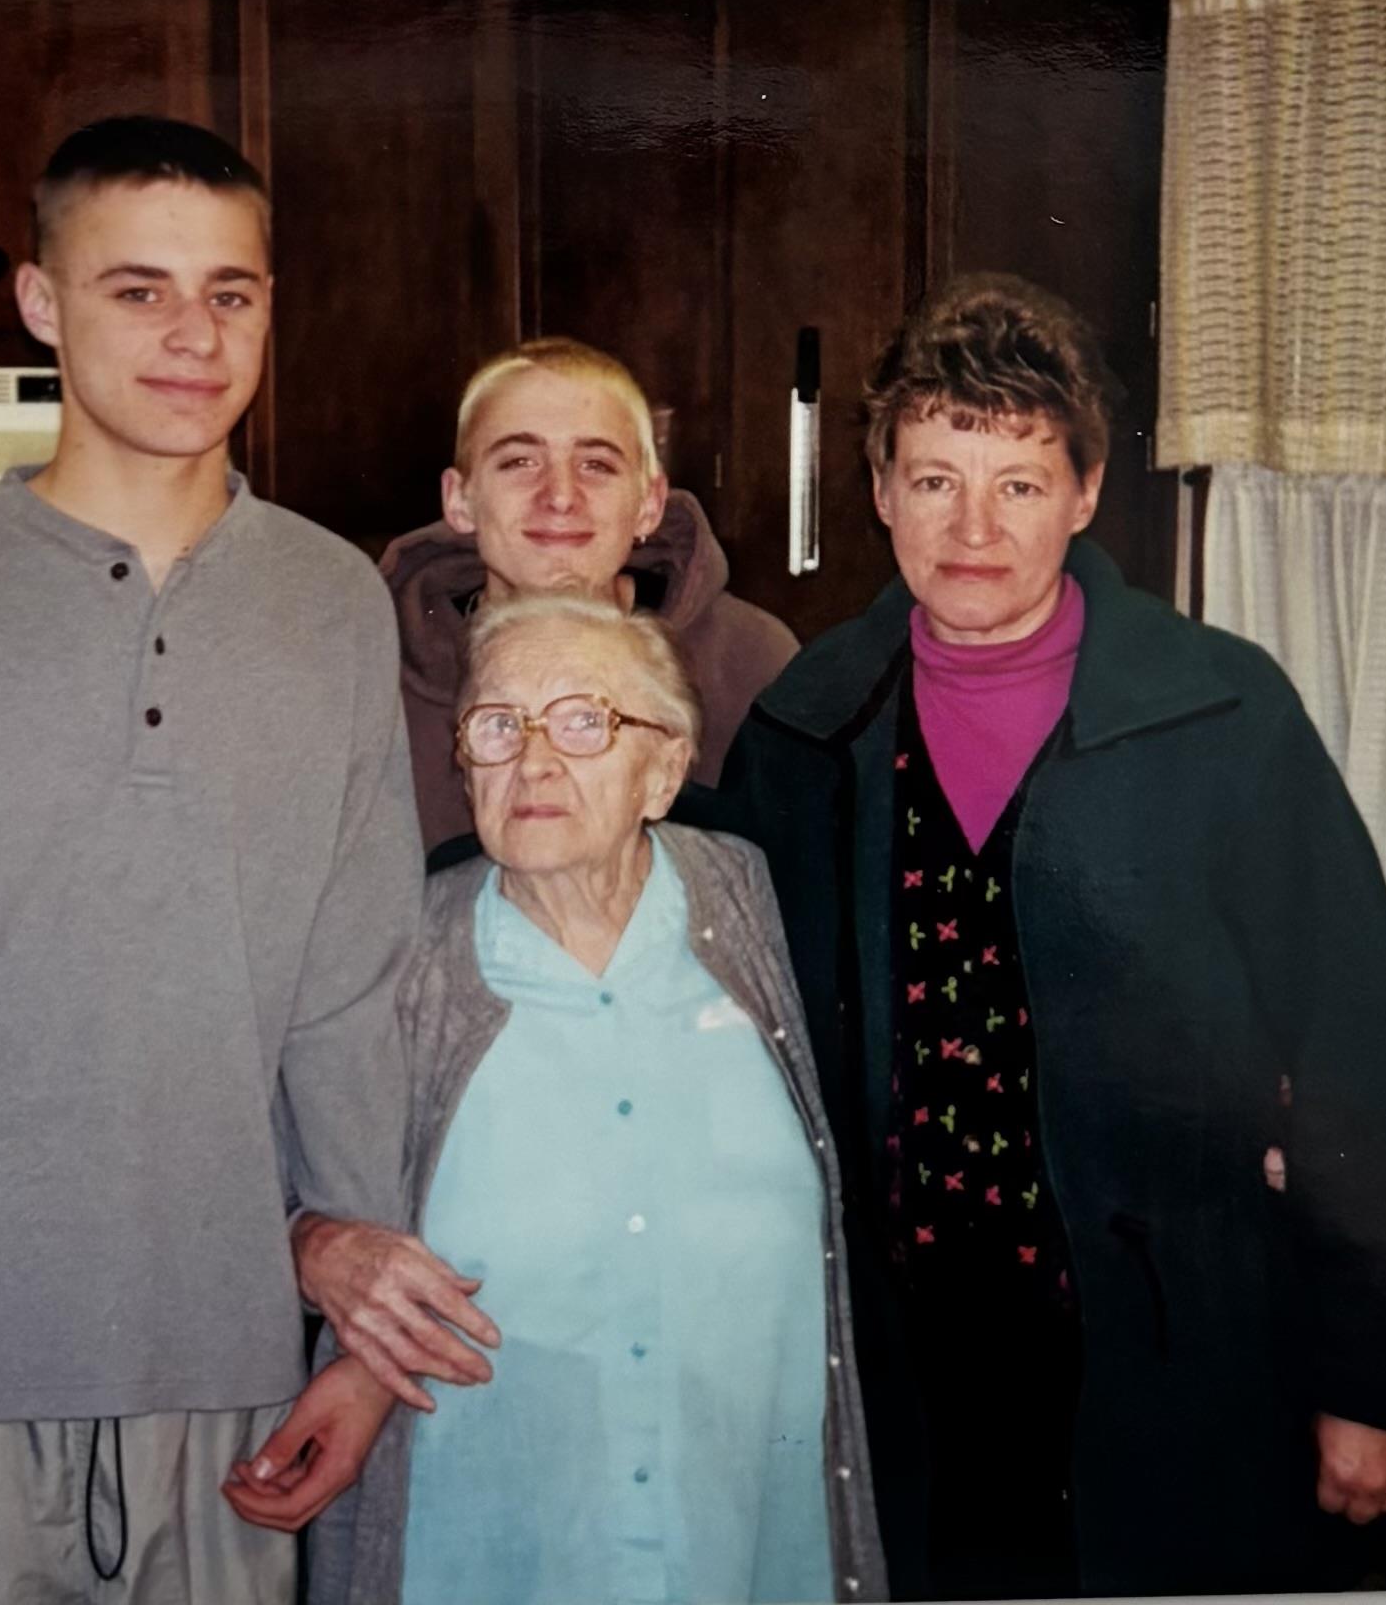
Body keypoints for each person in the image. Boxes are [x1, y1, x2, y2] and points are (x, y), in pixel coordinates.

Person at [0, 116, 481, 1605]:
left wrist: (357, 1355)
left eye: (232, 293)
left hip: (232, 1380)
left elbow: (347, 1005)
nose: (193, 336)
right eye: (138, 290)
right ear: (44, 305)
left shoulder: (330, 602)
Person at [717, 273, 1386, 1599]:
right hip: (904, 1377)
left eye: (1019, 483)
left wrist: (1383, 1369)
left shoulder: (1221, 717)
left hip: (1174, 1361)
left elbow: (1362, 1049)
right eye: (933, 481)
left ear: (1085, 495)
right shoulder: (808, 728)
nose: (974, 526)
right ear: (876, 489)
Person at [223, 595, 888, 1605]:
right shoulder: (393, 955)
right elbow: (241, 1171)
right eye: (499, 726)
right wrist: (314, 1251)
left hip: (743, 1532)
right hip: (486, 1538)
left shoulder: (767, 911)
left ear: (663, 771)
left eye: (586, 721)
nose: (534, 762)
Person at [380, 338, 795, 855]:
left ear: (649, 503)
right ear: (459, 500)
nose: (559, 495)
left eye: (596, 465)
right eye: (519, 462)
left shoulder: (750, 662)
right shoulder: (377, 675)